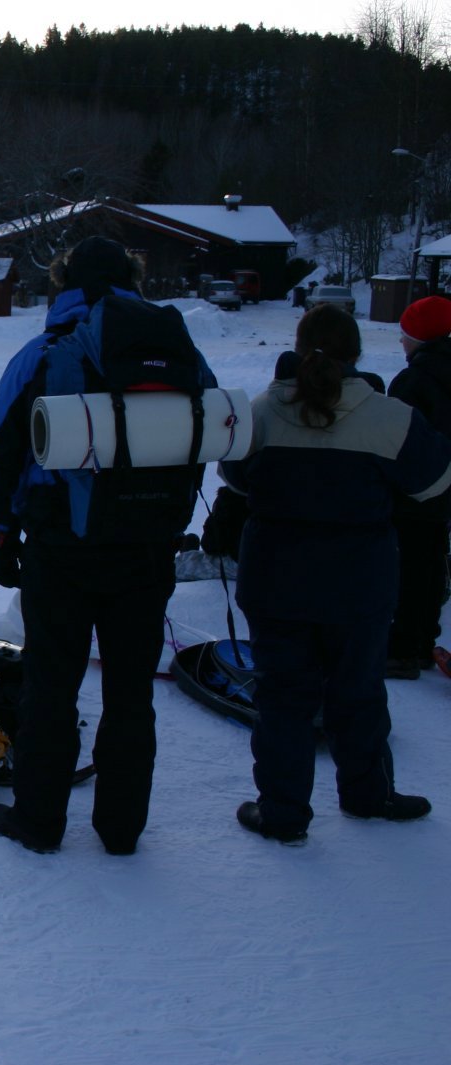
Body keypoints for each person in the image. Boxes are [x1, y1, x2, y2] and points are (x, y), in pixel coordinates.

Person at [0, 235, 216, 856]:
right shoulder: (179, 354)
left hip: (62, 550)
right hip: (148, 550)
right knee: (131, 693)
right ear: (133, 281)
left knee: (51, 687)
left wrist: (2, 535)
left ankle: (39, 821)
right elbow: (203, 439)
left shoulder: (45, 354)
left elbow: (2, 454)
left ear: (63, 284)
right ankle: (121, 828)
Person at [221, 304, 451, 842]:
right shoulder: (389, 415)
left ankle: (282, 813)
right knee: (359, 690)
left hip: (276, 580)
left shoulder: (262, 411)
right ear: (356, 354)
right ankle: (369, 796)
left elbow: (234, 477)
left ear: (299, 349)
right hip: (359, 583)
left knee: (283, 697)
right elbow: (434, 482)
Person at [381, 296, 451, 678]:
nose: (401, 340)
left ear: (421, 337)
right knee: (432, 560)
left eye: (405, 334)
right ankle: (422, 639)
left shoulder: (414, 380)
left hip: (415, 490)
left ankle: (405, 648)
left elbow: (397, 436)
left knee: (409, 565)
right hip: (444, 488)